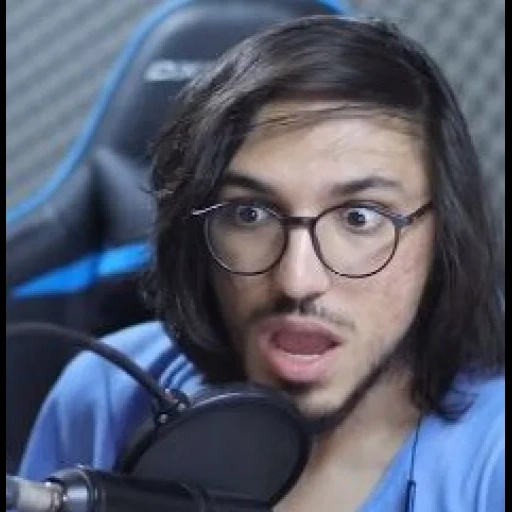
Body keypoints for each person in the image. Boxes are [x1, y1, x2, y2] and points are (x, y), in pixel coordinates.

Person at [19, 15, 504, 511]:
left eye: (360, 218)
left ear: (443, 233)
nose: (297, 281)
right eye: (249, 214)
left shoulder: (492, 460)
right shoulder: (103, 394)